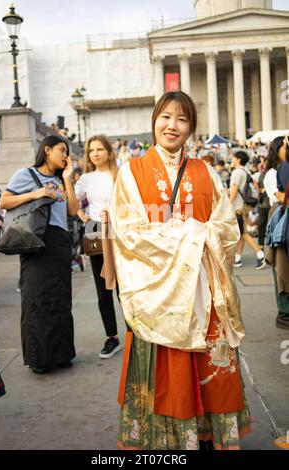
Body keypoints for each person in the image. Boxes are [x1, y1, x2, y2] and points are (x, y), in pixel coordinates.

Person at [110, 91, 251, 450]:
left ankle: (213, 436)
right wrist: (190, 234)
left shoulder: (206, 173)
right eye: (166, 117)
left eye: (182, 119)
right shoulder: (132, 173)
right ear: (154, 120)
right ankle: (170, 442)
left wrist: (200, 233)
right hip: (158, 296)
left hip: (206, 292)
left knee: (213, 374)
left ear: (191, 128)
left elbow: (227, 229)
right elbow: (128, 233)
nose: (172, 126)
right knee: (167, 369)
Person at [0, 136, 79, 374]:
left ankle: (62, 354)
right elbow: (4, 201)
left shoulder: (61, 178)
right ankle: (39, 358)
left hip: (60, 241)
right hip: (37, 241)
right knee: (37, 299)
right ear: (47, 150)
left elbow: (73, 210)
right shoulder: (26, 175)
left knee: (61, 300)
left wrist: (67, 179)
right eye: (62, 150)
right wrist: (35, 194)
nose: (65, 155)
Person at [74, 135, 121, 359]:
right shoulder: (86, 178)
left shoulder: (120, 175)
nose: (95, 153)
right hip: (96, 232)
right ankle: (112, 337)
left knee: (125, 289)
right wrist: (85, 217)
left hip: (119, 232)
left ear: (109, 152)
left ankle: (134, 333)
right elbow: (72, 204)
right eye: (91, 150)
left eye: (100, 149)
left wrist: (115, 214)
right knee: (103, 291)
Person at [264, 136, 289, 330]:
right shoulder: (274, 172)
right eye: (284, 146)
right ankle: (283, 312)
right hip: (279, 217)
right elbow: (279, 197)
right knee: (280, 266)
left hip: (282, 214)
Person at [229, 151, 265, 269]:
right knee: (241, 232)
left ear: (238, 159)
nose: (232, 159)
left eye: (233, 157)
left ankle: (260, 254)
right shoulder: (245, 171)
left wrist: (227, 206)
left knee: (243, 233)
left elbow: (234, 191)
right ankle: (238, 259)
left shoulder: (236, 172)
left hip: (237, 207)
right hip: (244, 206)